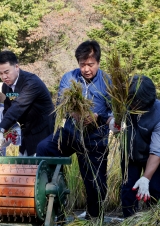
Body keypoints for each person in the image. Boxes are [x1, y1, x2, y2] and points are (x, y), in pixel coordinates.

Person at [36, 40, 112, 219]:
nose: (86, 69)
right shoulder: (69, 77)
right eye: (82, 64)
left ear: (98, 63)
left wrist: (97, 117)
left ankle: (94, 217)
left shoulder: (107, 81)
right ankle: (54, 207)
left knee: (96, 182)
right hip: (69, 133)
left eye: (90, 64)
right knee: (44, 148)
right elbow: (62, 103)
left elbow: (113, 112)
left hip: (95, 137)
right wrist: (74, 112)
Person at [109, 75, 160, 218]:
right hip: (129, 155)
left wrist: (145, 178)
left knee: (155, 189)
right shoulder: (123, 103)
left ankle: (153, 218)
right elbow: (110, 116)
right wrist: (113, 122)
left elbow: (157, 151)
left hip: (153, 158)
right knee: (128, 190)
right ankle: (129, 220)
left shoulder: (158, 114)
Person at [0, 50, 55, 156]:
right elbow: (7, 110)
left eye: (7, 72)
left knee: (41, 169)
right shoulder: (5, 86)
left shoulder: (31, 83)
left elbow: (18, 106)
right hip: (26, 134)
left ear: (16, 67)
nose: (4, 77)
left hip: (43, 133)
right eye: (0, 73)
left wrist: (0, 129)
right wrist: (7, 132)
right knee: (23, 166)